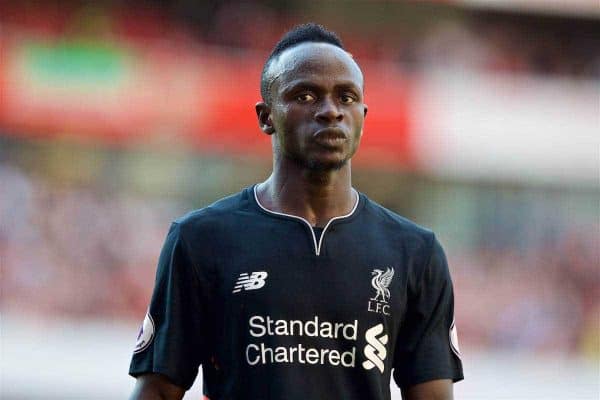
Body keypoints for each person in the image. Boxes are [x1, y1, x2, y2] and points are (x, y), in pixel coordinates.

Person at [129, 23, 463, 400]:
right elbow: (157, 390)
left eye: (347, 97)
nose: (330, 111)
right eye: (305, 96)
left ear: (363, 115)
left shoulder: (415, 253)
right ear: (266, 116)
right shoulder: (201, 239)